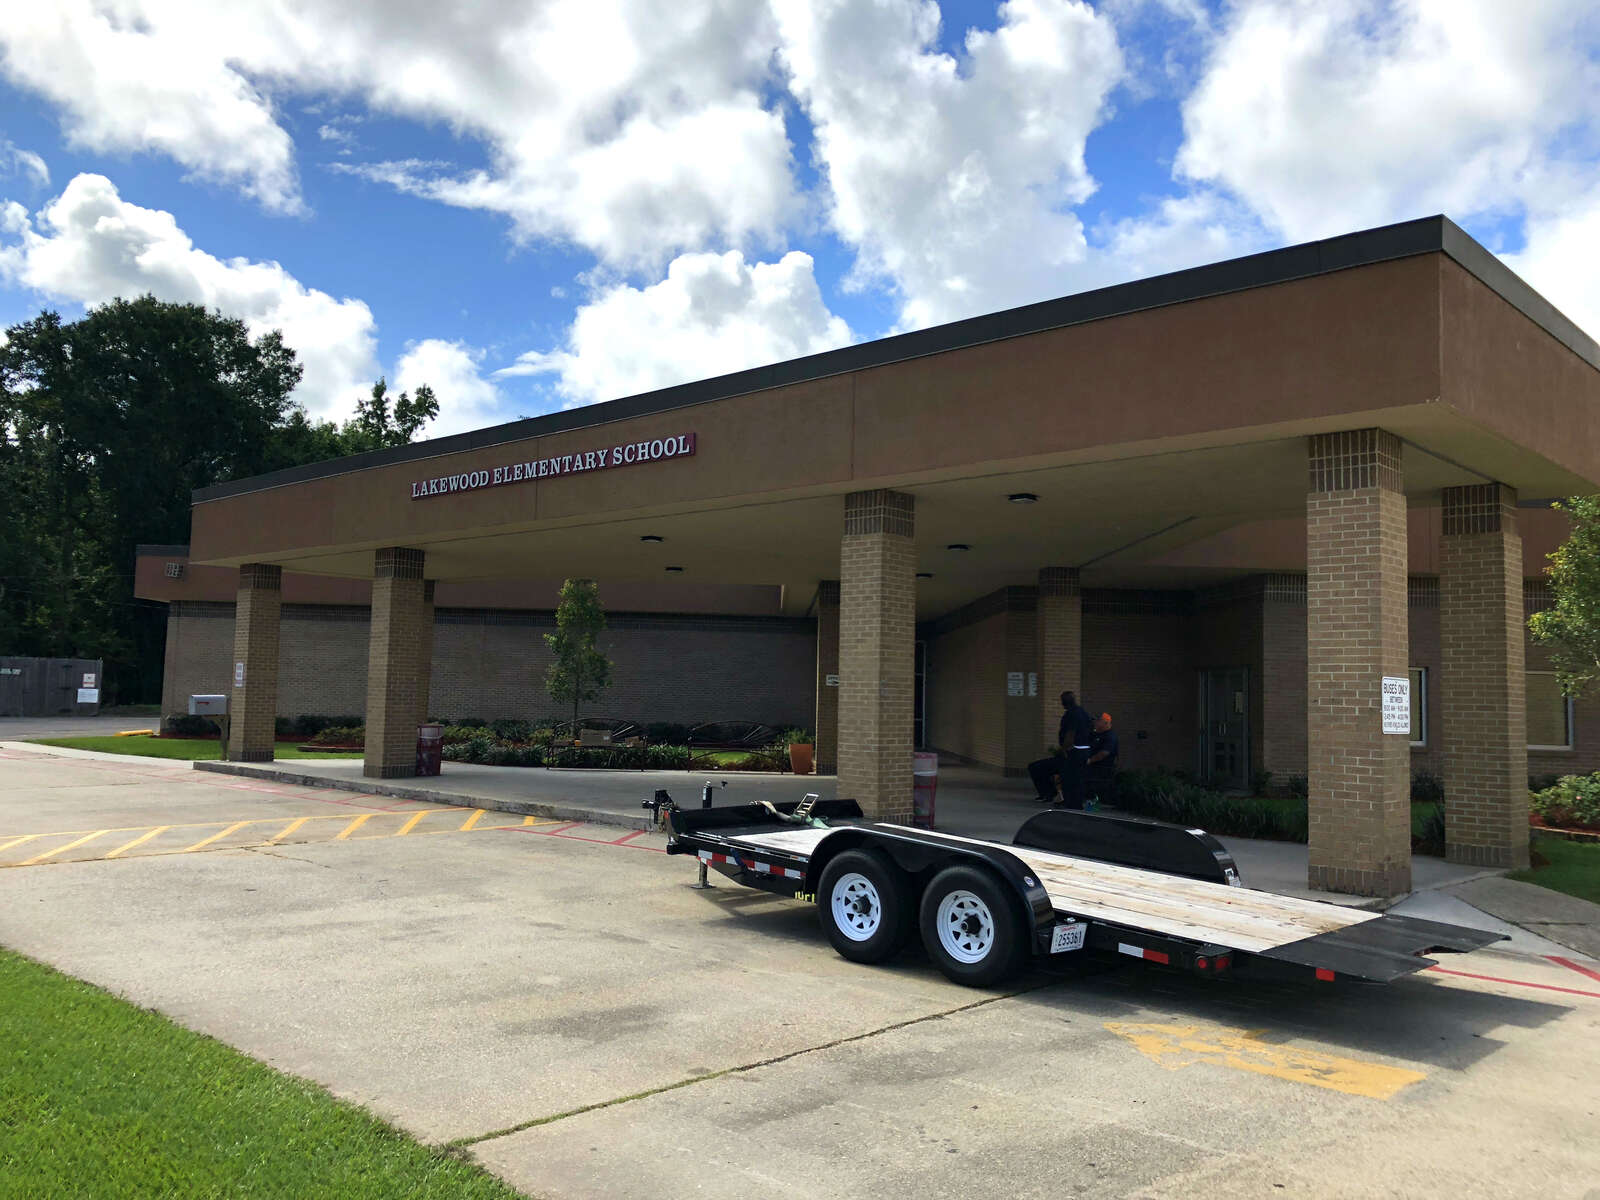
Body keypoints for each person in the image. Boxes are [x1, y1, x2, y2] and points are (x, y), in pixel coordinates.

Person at [1027, 690, 1094, 808]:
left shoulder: (1072, 714)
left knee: (1069, 777)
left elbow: (1070, 734)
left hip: (1074, 751)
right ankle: (1069, 801)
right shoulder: (1083, 713)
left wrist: (1064, 749)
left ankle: (1069, 802)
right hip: (1083, 751)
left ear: (1064, 703)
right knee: (1074, 777)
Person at [1085, 712, 1119, 811]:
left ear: (1105, 722)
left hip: (1102, 768)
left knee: (1094, 787)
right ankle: (1089, 807)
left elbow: (1104, 753)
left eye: (1098, 721)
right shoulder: (1095, 734)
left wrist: (1090, 760)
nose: (1095, 723)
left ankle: (1092, 809)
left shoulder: (1110, 736)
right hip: (1094, 767)